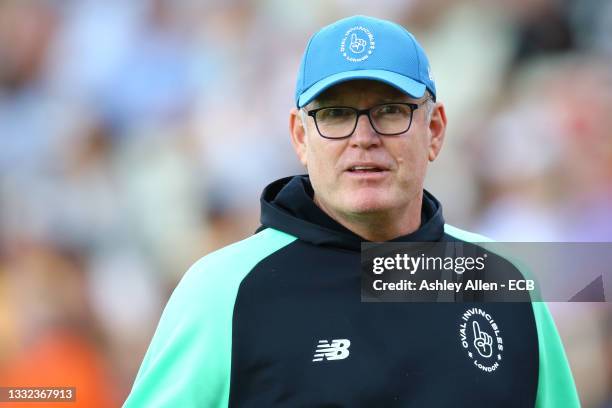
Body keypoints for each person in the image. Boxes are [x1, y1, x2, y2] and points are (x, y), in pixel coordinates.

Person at [123, 15, 579, 407]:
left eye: (389, 110)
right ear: (301, 137)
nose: (364, 136)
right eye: (336, 114)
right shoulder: (222, 291)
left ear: (435, 129)